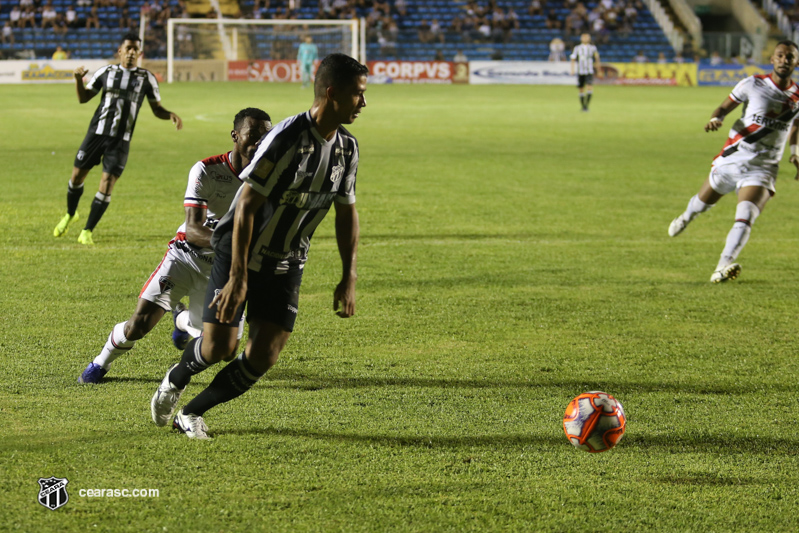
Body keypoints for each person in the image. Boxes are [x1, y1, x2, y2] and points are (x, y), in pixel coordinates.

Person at [150, 53, 367, 439]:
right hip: (241, 253)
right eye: (357, 95)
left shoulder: (347, 149)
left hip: (287, 262)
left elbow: (346, 213)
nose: (363, 103)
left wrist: (348, 276)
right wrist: (237, 276)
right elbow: (247, 205)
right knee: (220, 348)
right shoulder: (285, 139)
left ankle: (192, 413)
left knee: (264, 355)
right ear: (332, 94)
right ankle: (176, 377)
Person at [78, 109, 272, 384]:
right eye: (253, 135)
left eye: (265, 137)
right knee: (140, 324)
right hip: (185, 258)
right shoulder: (206, 169)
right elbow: (193, 229)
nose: (259, 143)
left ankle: (181, 320)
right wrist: (232, 245)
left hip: (222, 270)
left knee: (225, 351)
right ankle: (99, 364)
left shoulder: (271, 178)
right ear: (235, 136)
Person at [668, 41, 799, 282]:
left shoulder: (798, 97)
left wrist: (795, 151)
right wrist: (716, 118)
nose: (784, 60)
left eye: (789, 57)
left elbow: (796, 125)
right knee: (701, 204)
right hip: (733, 158)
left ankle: (721, 267)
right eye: (780, 56)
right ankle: (686, 217)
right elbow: (724, 106)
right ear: (772, 59)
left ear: (796, 62)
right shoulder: (753, 83)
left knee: (746, 215)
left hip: (763, 167)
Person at [52, 33, 183, 245]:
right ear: (120, 51)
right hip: (96, 134)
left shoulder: (146, 78)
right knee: (77, 177)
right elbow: (84, 98)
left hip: (121, 140)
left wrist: (169, 114)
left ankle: (87, 230)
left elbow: (156, 108)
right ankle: (70, 213)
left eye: (135, 50)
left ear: (140, 54)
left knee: (107, 183)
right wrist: (77, 79)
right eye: (128, 48)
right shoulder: (106, 72)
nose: (131, 53)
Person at [570, 32, 601, 112]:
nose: (585, 39)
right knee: (581, 89)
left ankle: (587, 105)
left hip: (589, 70)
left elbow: (597, 59)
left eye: (587, 37)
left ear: (589, 39)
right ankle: (583, 106)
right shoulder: (577, 48)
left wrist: (598, 69)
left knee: (589, 87)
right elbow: (573, 59)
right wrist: (572, 69)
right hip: (581, 71)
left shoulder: (593, 48)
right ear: (581, 38)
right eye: (583, 37)